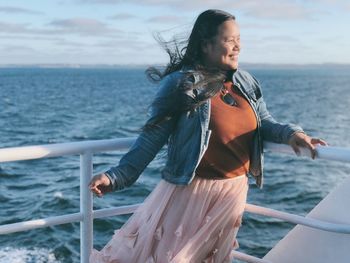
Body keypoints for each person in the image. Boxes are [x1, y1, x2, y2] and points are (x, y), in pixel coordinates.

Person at [89, 9, 327, 263]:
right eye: (229, 40)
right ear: (206, 45)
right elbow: (151, 138)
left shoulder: (246, 81)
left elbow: (264, 122)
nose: (238, 47)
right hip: (191, 193)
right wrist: (115, 177)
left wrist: (292, 134)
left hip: (232, 193)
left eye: (239, 39)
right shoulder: (183, 84)